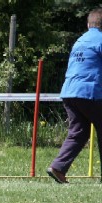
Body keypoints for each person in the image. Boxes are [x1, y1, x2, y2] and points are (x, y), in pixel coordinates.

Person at [47, 7, 102, 184]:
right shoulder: (100, 39)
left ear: (88, 24)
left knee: (78, 132)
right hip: (90, 92)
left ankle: (58, 168)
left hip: (69, 92)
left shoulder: (79, 41)